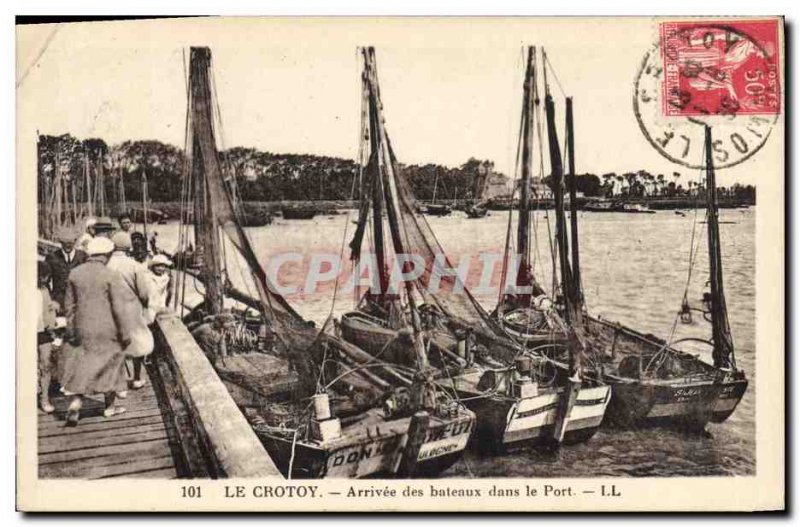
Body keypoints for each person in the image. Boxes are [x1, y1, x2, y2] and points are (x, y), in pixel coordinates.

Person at [60, 237, 133, 426]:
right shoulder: (111, 275)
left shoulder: (74, 273)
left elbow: (69, 307)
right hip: (108, 329)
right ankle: (110, 407)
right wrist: (125, 333)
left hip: (83, 327)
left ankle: (76, 402)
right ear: (107, 255)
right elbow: (118, 307)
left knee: (84, 364)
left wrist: (71, 329)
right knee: (113, 365)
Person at [107, 232, 152, 391]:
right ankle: (137, 377)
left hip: (111, 308)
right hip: (132, 308)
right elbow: (144, 293)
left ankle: (117, 381)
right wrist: (145, 306)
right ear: (129, 246)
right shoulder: (134, 265)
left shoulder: (106, 264)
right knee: (137, 342)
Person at [44, 227, 87, 312]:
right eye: (64, 243)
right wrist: (51, 299)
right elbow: (45, 282)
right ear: (60, 242)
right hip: (58, 305)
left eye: (70, 243)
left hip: (78, 304)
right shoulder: (52, 257)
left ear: (75, 241)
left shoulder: (83, 257)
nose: (67, 245)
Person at [37, 261, 59, 413]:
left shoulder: (45, 289)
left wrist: (52, 328)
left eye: (46, 277)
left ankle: (44, 398)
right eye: (42, 277)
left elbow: (50, 310)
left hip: (44, 332)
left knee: (46, 364)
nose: (45, 280)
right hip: (27, 331)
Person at [146, 254, 173, 324]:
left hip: (159, 305)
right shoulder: (147, 277)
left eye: (162, 266)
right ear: (153, 267)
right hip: (149, 305)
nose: (160, 268)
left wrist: (163, 305)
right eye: (158, 266)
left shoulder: (165, 278)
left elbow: (164, 293)